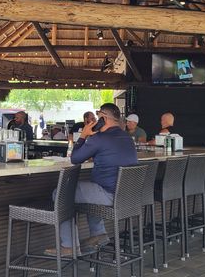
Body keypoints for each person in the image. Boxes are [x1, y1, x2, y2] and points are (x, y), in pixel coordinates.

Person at [46, 103, 137, 256]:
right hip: (126, 196)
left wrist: (83, 135)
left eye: (98, 115)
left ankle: (68, 246)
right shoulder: (127, 138)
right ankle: (98, 234)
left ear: (104, 118)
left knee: (61, 193)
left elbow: (75, 158)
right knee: (91, 189)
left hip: (108, 195)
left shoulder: (100, 138)